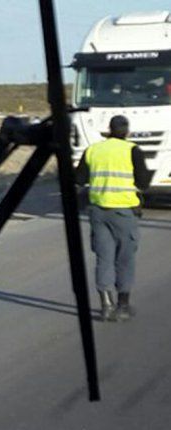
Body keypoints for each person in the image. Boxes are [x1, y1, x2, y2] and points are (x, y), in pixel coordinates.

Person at [75, 115, 151, 322]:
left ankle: (106, 305)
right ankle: (123, 306)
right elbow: (143, 182)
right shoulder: (132, 150)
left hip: (98, 211)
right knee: (125, 258)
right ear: (126, 131)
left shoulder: (93, 150)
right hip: (123, 210)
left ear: (109, 130)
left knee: (103, 257)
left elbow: (79, 179)